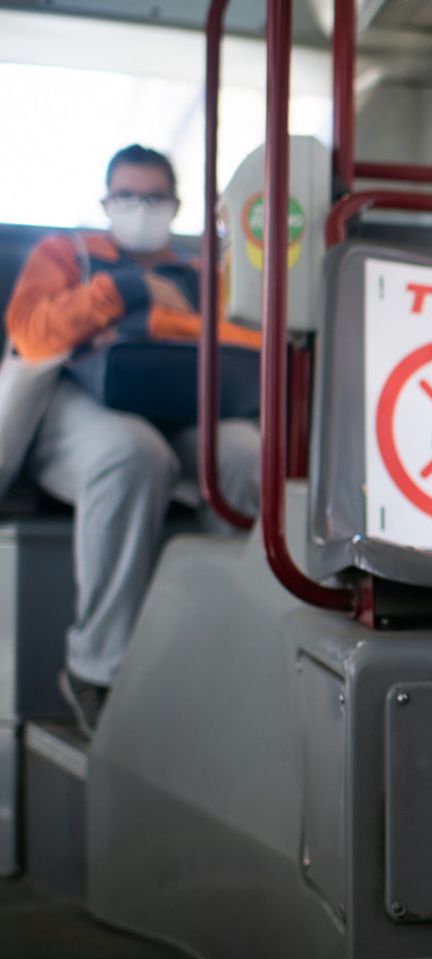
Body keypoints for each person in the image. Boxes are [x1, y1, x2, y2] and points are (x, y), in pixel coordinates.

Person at [3, 144, 262, 734]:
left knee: (248, 456)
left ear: (174, 206)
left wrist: (143, 319)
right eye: (127, 197)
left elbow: (241, 340)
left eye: (153, 197)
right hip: (77, 404)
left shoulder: (202, 276)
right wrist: (123, 293)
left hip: (180, 403)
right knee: (131, 453)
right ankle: (98, 669)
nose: (140, 208)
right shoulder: (65, 254)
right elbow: (33, 334)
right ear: (105, 202)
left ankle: (239, 649)